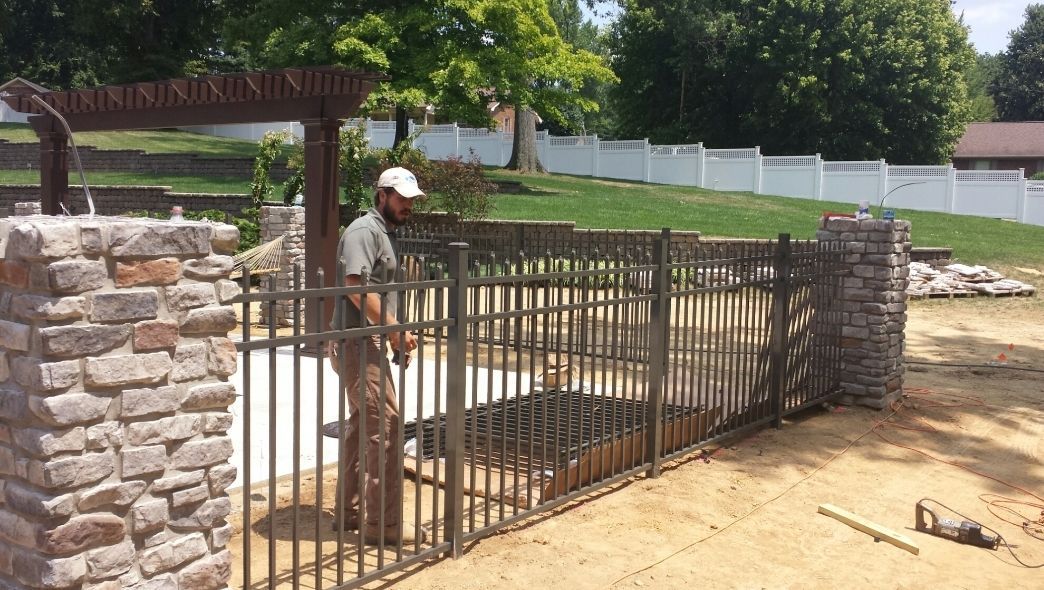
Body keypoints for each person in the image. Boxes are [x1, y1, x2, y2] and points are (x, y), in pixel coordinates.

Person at [328, 166, 425, 545]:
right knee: (385, 428)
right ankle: (383, 526)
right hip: (357, 344)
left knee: (362, 426)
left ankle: (348, 511)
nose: (408, 207)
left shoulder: (382, 232)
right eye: (402, 199)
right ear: (381, 195)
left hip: (364, 342)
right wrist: (395, 332)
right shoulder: (364, 231)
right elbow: (355, 287)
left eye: (411, 201)